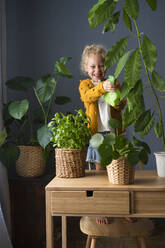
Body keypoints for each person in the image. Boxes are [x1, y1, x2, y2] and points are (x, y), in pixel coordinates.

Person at [79, 44, 128, 224]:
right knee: (101, 175)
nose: (97, 70)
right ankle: (102, 208)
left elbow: (120, 105)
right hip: (97, 136)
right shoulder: (85, 85)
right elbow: (88, 97)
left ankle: (123, 209)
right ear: (86, 68)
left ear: (106, 66)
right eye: (92, 66)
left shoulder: (113, 82)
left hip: (114, 133)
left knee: (119, 173)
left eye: (100, 65)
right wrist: (102, 88)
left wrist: (115, 94)